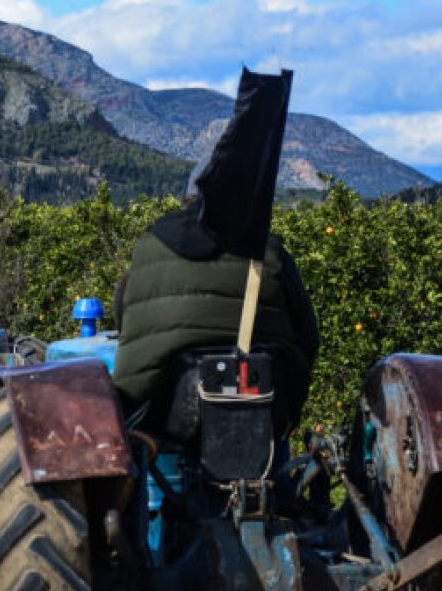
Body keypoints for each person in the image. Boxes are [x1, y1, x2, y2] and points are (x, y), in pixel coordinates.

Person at [113, 177, 319, 434]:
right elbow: (308, 337)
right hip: (266, 410)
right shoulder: (270, 251)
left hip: (167, 417)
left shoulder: (148, 248)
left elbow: (125, 328)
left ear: (187, 200)